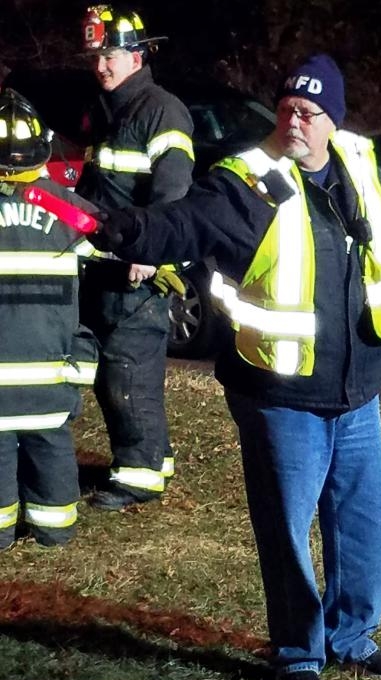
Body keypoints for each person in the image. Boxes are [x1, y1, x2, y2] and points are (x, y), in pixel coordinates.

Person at [89, 54, 381, 680]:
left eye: (310, 111)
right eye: (288, 107)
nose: (295, 120)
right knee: (287, 530)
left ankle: (351, 639)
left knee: (364, 524)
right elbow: (185, 223)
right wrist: (127, 230)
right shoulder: (249, 181)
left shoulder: (360, 167)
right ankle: (298, 652)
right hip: (280, 393)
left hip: (355, 391)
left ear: (335, 120)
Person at [76, 5, 195, 511]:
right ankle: (153, 455)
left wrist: (151, 252)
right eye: (96, 56)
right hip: (107, 264)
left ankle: (140, 476)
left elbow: (173, 191)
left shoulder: (160, 110)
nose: (102, 66)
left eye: (111, 55)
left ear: (138, 55)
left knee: (127, 369)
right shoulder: (109, 111)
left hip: (137, 270)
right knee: (112, 370)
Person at [0, 88, 98, 549]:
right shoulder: (64, 207)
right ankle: (55, 528)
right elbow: (112, 239)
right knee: (51, 446)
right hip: (52, 377)